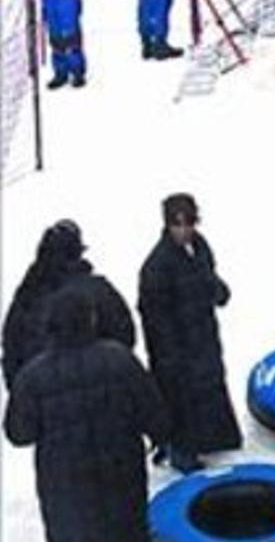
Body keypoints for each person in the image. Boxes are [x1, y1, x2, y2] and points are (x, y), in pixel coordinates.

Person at [4, 286, 170, 542]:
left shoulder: (32, 376)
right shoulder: (120, 359)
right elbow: (154, 414)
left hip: (65, 488)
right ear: (91, 319)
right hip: (121, 475)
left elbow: (19, 434)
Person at [137, 193, 240, 473]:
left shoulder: (200, 246)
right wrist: (169, 356)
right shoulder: (156, 266)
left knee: (208, 389)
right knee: (180, 402)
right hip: (177, 348)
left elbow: (206, 274)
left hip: (203, 335)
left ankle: (211, 439)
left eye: (189, 222)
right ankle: (180, 452)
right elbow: (153, 317)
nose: (184, 230)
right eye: (178, 224)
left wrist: (218, 290)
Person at [3, 219, 135, 388]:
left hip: (43, 397)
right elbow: (125, 335)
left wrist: (22, 391)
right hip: (100, 395)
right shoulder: (98, 289)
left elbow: (11, 350)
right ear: (78, 252)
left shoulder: (27, 295)